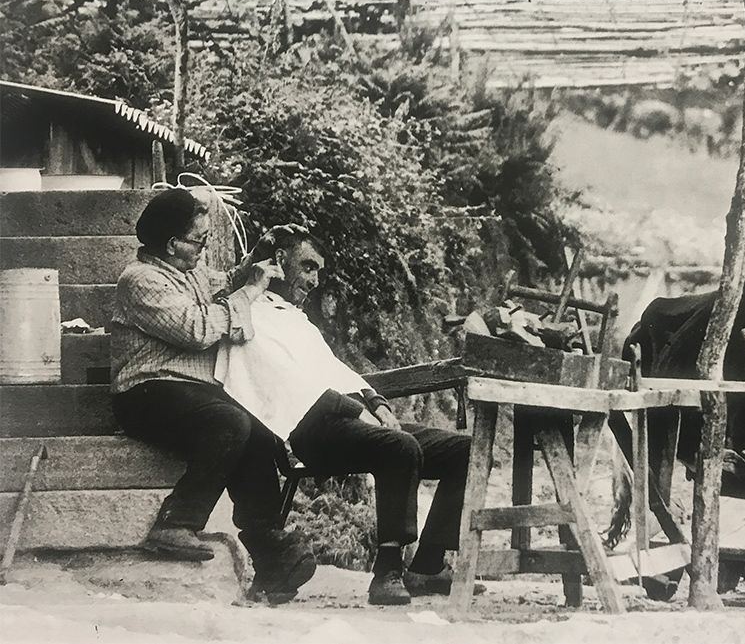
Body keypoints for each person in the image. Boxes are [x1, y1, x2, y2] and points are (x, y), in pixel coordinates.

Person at [214, 225, 475, 606]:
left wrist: (378, 403)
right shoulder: (249, 315)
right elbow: (290, 386)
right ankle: (387, 571)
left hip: (349, 422)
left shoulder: (293, 318)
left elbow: (336, 369)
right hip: (310, 431)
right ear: (278, 262)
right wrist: (357, 412)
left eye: (319, 271)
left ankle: (428, 565)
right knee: (399, 447)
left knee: (464, 450)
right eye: (307, 267)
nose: (314, 280)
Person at [110, 188, 317, 605]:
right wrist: (252, 290)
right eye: (200, 241)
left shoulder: (188, 270)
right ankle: (175, 522)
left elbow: (227, 283)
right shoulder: (141, 280)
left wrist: (259, 254)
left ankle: (269, 547)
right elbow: (196, 329)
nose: (205, 249)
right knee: (229, 422)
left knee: (256, 427)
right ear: (172, 244)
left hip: (187, 391)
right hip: (144, 391)